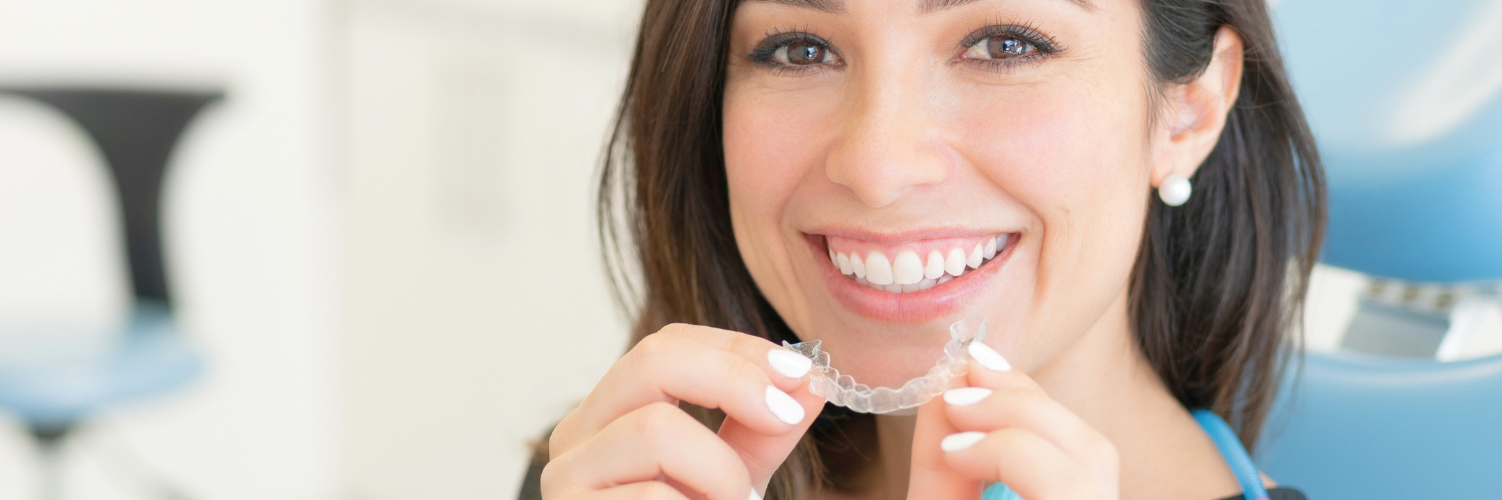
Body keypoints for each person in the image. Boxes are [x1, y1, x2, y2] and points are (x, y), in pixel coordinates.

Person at [525, 0, 1324, 498]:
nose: (877, 167)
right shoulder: (624, 472)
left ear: (1190, 109)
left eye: (1005, 45)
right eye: (801, 49)